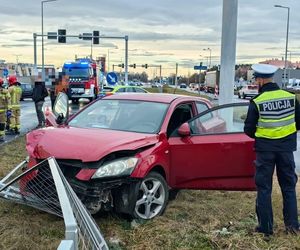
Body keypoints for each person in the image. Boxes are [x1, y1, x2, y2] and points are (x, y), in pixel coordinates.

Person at [244, 63, 300, 236]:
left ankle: (266, 229)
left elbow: (248, 130)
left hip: (265, 151)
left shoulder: (257, 102)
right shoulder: (291, 97)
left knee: (264, 188)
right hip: (286, 151)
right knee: (289, 188)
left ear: (260, 80)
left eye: (256, 79)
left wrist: (264, 135)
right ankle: (292, 228)